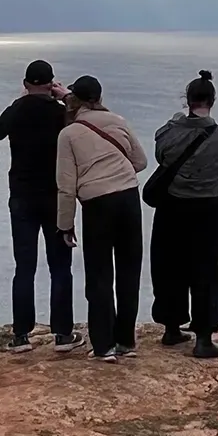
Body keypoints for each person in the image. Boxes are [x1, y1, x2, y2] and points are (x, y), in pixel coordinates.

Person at [0, 60, 81, 353]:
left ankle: (20, 336)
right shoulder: (60, 112)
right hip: (55, 196)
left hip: (22, 196)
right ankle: (63, 334)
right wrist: (67, 98)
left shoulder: (17, 109)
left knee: (24, 266)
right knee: (60, 267)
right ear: (52, 84)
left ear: (25, 83)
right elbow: (83, 121)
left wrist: (21, 101)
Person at [55, 75, 147, 363]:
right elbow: (141, 161)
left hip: (97, 204)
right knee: (129, 271)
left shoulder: (68, 134)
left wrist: (65, 224)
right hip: (128, 198)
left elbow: (66, 186)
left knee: (99, 274)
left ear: (74, 99)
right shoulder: (118, 121)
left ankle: (104, 345)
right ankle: (126, 340)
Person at [150, 70, 218, 360]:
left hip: (172, 207)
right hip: (207, 208)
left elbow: (161, 157)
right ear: (212, 100)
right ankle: (203, 337)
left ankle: (171, 327)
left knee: (169, 266)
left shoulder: (168, 134)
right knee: (206, 270)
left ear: (187, 100)